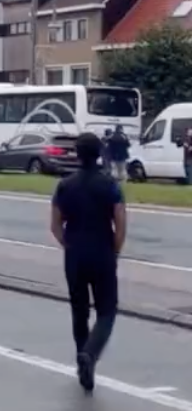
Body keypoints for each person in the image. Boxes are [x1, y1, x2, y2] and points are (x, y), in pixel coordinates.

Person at [50, 132, 126, 393]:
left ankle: (83, 358)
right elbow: (121, 223)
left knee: (79, 311)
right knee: (107, 310)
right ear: (99, 153)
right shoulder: (110, 185)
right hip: (102, 252)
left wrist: (68, 245)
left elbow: (55, 225)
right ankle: (90, 355)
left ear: (77, 154)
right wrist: (114, 250)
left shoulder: (64, 185)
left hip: (75, 255)